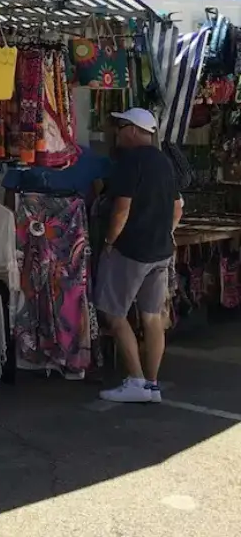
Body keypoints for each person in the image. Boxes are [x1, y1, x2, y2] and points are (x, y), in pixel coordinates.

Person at [96, 108, 183, 404]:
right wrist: (165, 232)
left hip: (132, 250)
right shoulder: (165, 162)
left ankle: (135, 380)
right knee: (152, 316)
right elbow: (177, 208)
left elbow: (122, 209)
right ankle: (152, 384)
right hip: (160, 252)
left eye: (121, 127)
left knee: (115, 313)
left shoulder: (129, 162)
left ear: (133, 129)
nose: (117, 132)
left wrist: (109, 241)